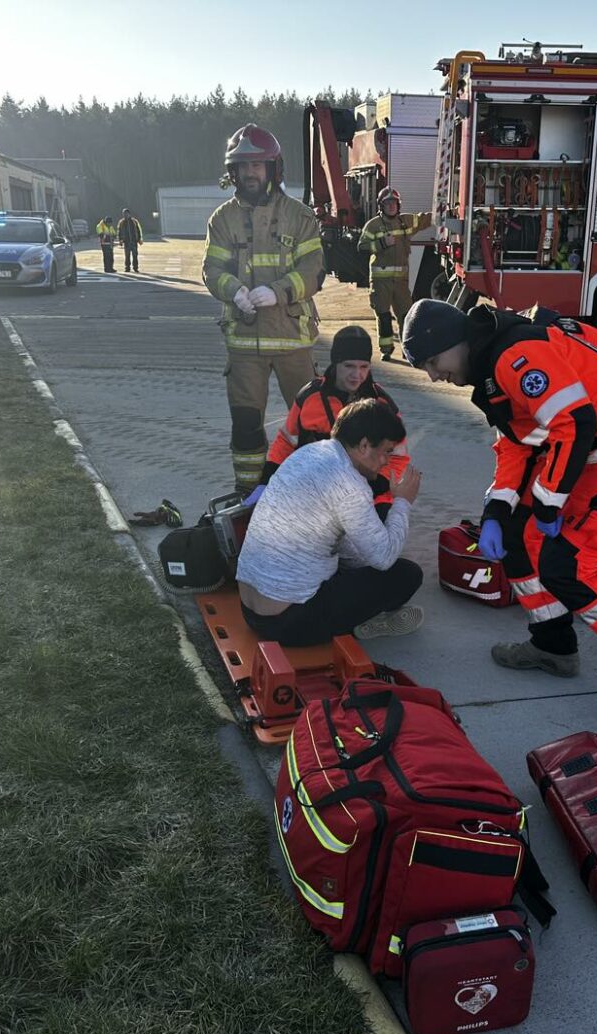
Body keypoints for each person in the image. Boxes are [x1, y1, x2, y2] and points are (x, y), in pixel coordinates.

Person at [401, 298, 597, 727]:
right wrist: (497, 509)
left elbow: (573, 424)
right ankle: (553, 646)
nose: (434, 375)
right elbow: (518, 443)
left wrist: (547, 502)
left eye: (434, 361)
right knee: (514, 537)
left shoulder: (515, 356)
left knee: (571, 568)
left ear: (457, 341)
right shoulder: (493, 363)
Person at [236, 398, 424, 646]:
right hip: (287, 622)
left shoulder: (308, 453)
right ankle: (362, 625)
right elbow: (383, 557)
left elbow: (339, 541)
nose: (386, 462)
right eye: (386, 452)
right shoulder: (349, 484)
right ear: (365, 445)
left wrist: (362, 564)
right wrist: (402, 502)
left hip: (249, 608)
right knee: (406, 574)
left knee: (354, 559)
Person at [202, 123, 326, 493]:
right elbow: (212, 269)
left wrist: (280, 291)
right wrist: (233, 291)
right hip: (243, 341)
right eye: (243, 166)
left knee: (312, 423)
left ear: (273, 168)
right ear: (233, 172)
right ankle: (248, 494)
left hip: (291, 338)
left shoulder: (300, 216)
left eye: (257, 166)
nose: (250, 173)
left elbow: (314, 271)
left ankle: (313, 492)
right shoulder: (222, 219)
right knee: (245, 425)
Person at [243, 325, 408, 512]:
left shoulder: (382, 403)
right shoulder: (310, 396)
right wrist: (265, 482)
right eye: (349, 366)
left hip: (371, 497)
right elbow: (286, 442)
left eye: (364, 367)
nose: (357, 375)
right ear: (335, 364)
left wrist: (377, 486)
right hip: (317, 493)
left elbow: (398, 456)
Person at [360, 187, 431, 361]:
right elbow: (362, 246)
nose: (391, 206)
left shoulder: (405, 221)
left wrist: (443, 210)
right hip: (380, 281)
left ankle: (406, 350)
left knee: (406, 316)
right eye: (387, 203)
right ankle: (386, 349)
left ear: (398, 205)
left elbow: (425, 219)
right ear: (381, 206)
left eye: (394, 203)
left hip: (401, 282)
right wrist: (382, 243)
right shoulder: (374, 225)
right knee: (383, 315)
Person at [117, 208, 143, 272]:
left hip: (134, 241)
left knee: (135, 255)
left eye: (126, 213)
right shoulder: (121, 222)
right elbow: (119, 231)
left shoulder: (134, 221)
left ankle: (135, 268)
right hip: (126, 242)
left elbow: (138, 230)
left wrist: (139, 239)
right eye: (124, 214)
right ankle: (127, 268)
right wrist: (120, 240)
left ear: (129, 214)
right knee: (127, 255)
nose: (125, 215)